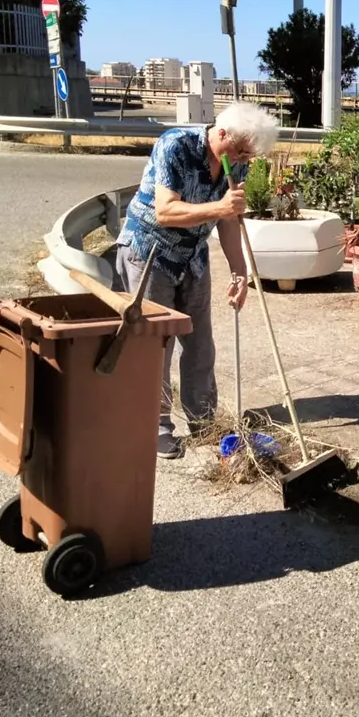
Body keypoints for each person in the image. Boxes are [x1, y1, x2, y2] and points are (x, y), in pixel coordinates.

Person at [114, 102, 279, 459]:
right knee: (156, 347)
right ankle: (154, 427)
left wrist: (240, 271)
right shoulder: (176, 146)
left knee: (200, 343)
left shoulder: (236, 163)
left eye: (250, 157)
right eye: (241, 152)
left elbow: (229, 221)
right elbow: (166, 210)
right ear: (222, 134)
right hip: (149, 253)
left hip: (192, 257)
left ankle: (204, 421)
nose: (245, 161)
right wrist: (222, 207)